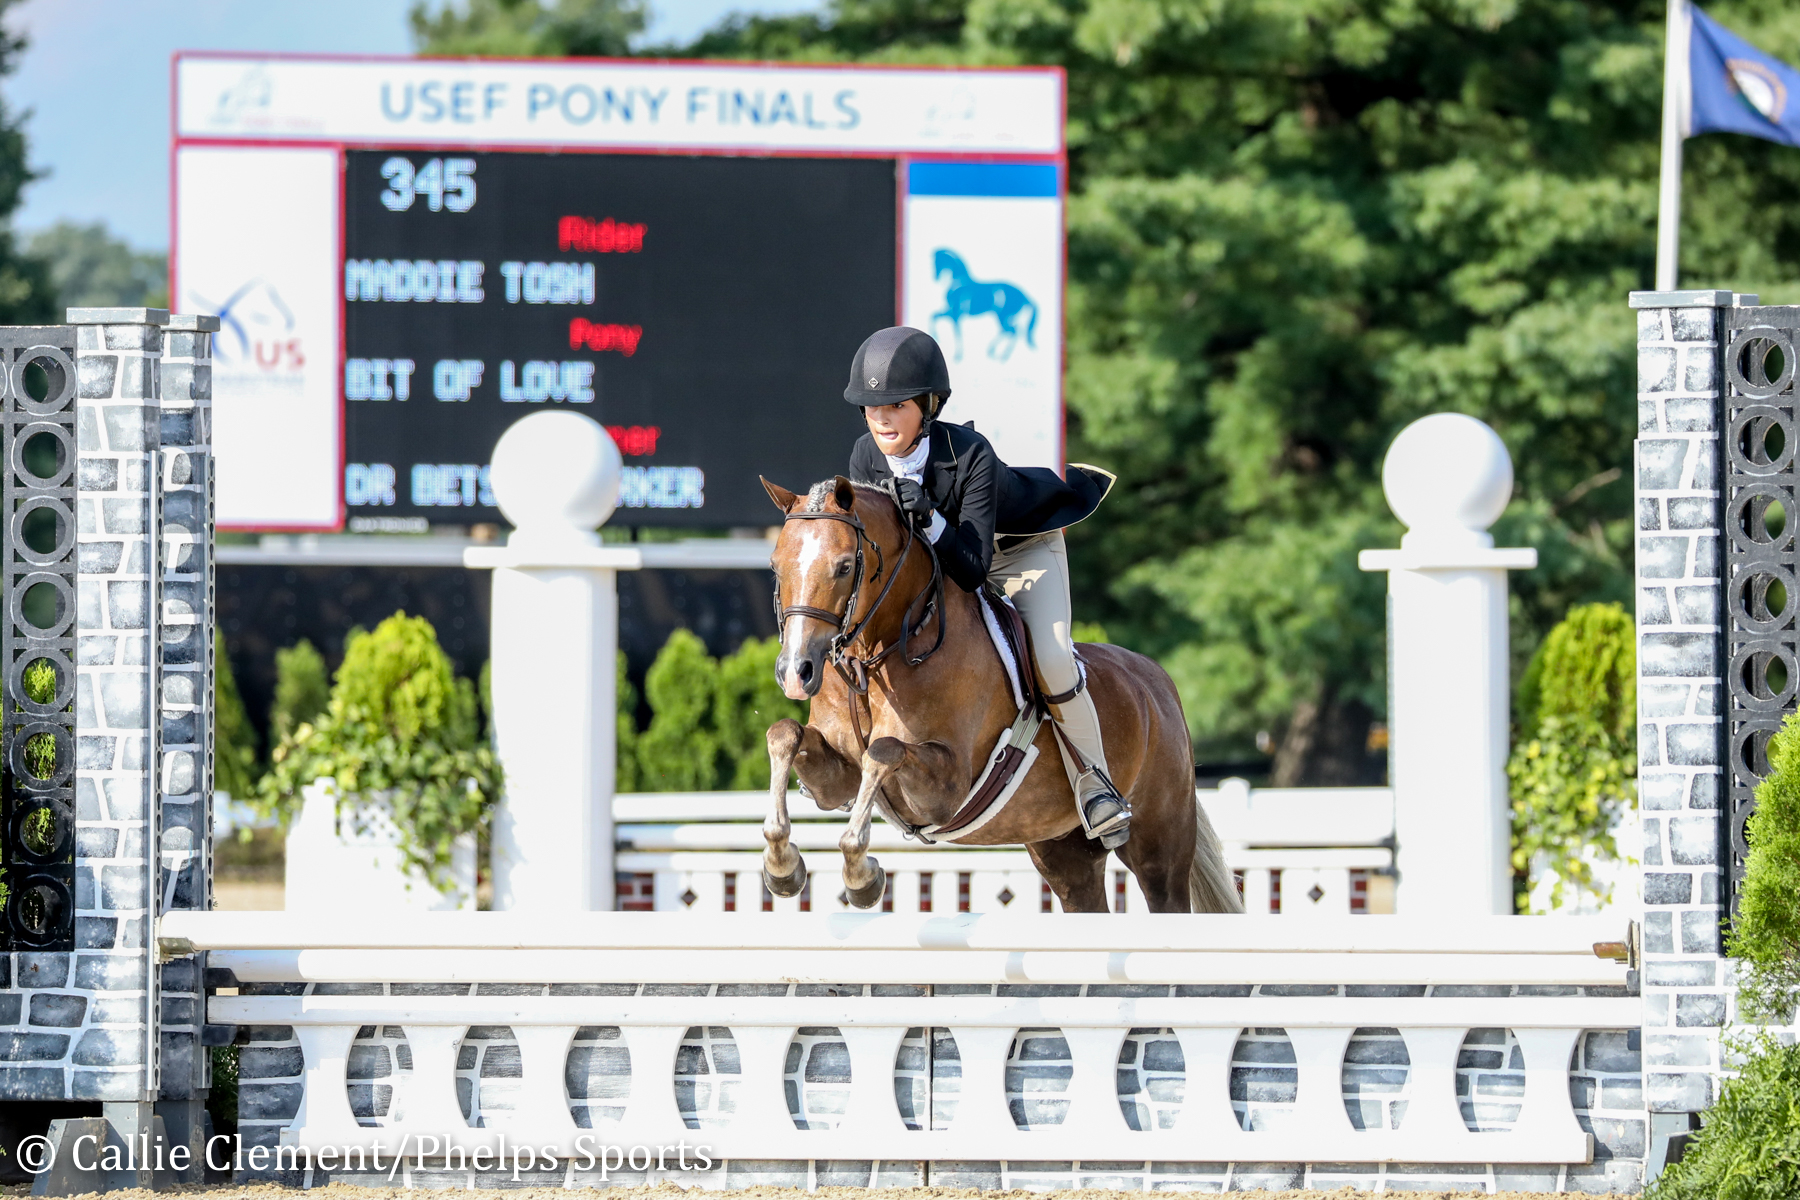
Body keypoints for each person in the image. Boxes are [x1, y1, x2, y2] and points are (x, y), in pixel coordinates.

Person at [842, 325, 1128, 847]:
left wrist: (929, 520)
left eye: (897, 405)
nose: (881, 418)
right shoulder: (864, 457)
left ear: (928, 405)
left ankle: (1096, 781)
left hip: (1018, 551)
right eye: (871, 407)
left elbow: (974, 569)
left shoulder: (969, 452)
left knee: (1054, 656)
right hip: (939, 564)